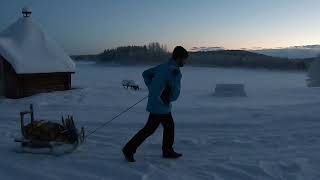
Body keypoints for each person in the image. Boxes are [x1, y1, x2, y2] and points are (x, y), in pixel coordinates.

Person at [122, 46, 189, 162]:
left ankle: (165, 150)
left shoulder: (162, 66)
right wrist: (165, 97)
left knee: (158, 128)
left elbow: (145, 74)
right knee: (155, 128)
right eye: (184, 59)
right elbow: (175, 95)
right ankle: (130, 149)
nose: (185, 61)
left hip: (156, 103)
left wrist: (152, 88)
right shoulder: (175, 72)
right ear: (179, 58)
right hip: (161, 106)